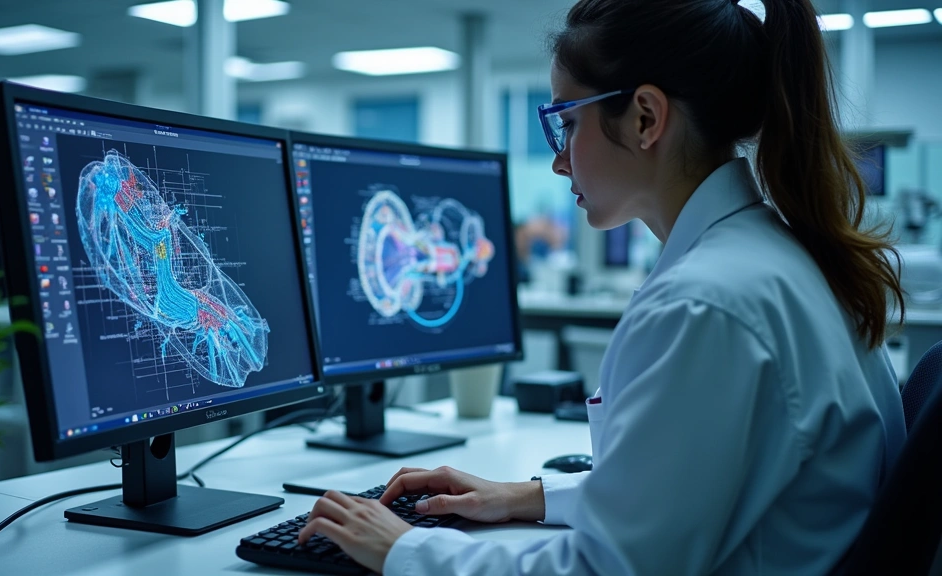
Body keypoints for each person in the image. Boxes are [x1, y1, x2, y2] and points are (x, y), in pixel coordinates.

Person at [296, 0, 907, 573]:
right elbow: (689, 488)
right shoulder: (779, 259)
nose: (560, 160)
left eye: (565, 121)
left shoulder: (706, 305)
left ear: (645, 117)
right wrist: (529, 496)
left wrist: (406, 549)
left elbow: (605, 568)